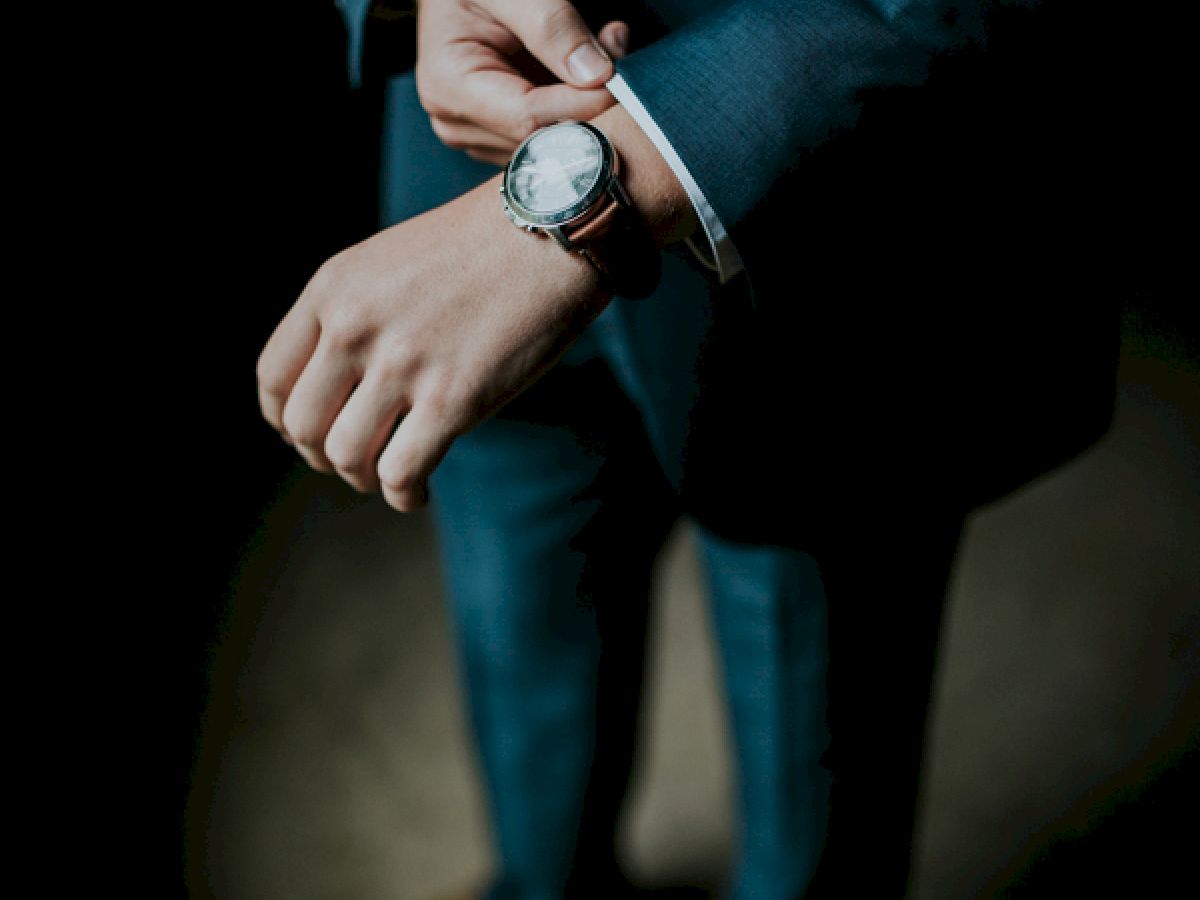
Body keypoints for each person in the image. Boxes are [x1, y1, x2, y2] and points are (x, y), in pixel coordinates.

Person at [257, 1, 1119, 896]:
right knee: (518, 648)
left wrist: (632, 166)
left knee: (812, 772)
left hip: (832, 233)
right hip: (459, 169)